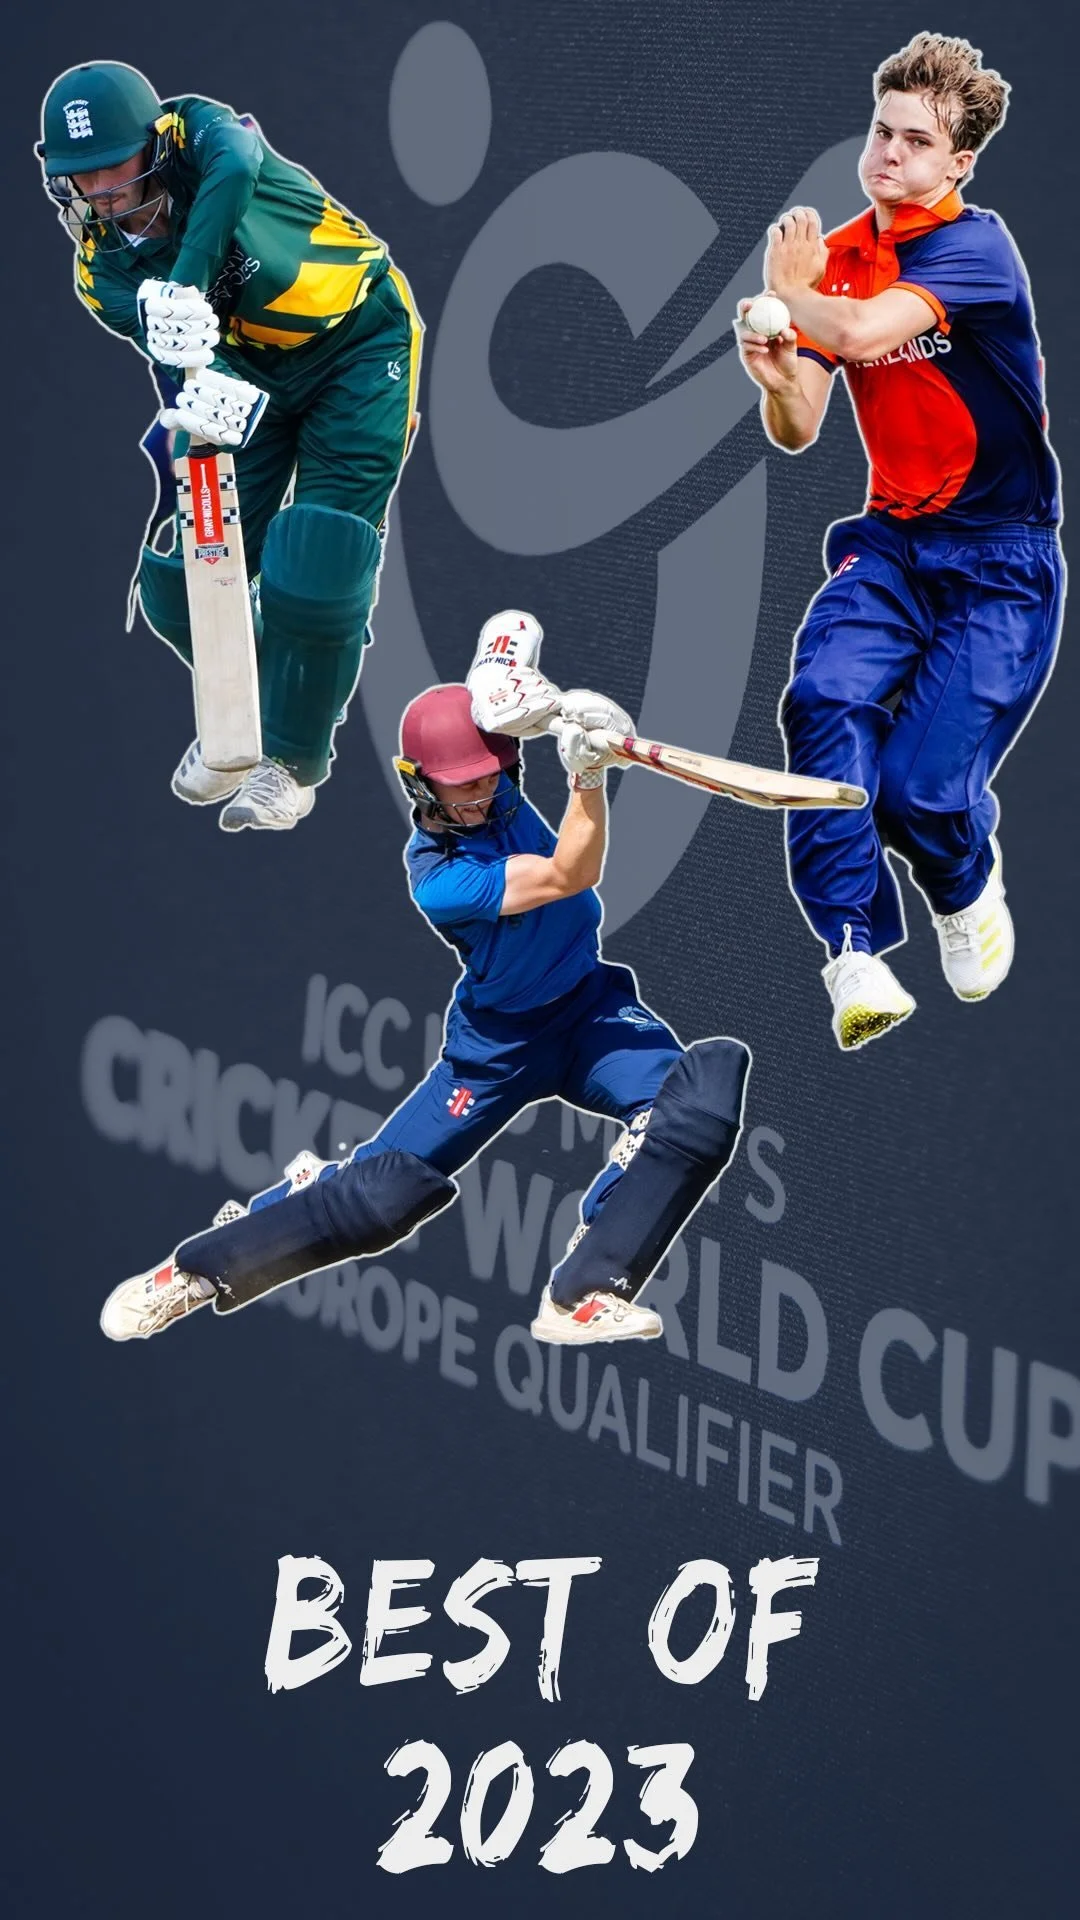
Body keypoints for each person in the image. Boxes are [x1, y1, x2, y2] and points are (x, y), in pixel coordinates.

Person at [100, 613, 751, 1345]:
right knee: (382, 1197)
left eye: (492, 778)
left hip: (591, 1011)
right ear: (419, 786)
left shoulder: (498, 786)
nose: (482, 799)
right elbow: (570, 873)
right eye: (461, 788)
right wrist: (588, 774)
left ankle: (584, 1293)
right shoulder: (439, 877)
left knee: (699, 1100)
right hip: (497, 1047)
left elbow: (509, 638)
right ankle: (195, 1269)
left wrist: (565, 715)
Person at [735, 33, 1063, 1049]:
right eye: (883, 131)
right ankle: (853, 952)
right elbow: (799, 428)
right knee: (823, 701)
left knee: (920, 793)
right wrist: (774, 375)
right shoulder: (836, 257)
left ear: (958, 163)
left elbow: (865, 333)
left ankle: (964, 886)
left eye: (917, 142)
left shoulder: (977, 250)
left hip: (1002, 562)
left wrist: (790, 294)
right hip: (891, 546)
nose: (888, 153)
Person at [38, 60, 422, 830]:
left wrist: (183, 283)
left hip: (359, 341)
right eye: (84, 175)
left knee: (316, 559)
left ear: (154, 143)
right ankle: (245, 718)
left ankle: (291, 763)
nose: (102, 190)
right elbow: (174, 347)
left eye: (115, 165)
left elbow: (239, 164)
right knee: (180, 581)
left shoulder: (199, 131)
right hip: (249, 376)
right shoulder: (98, 271)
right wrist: (200, 379)